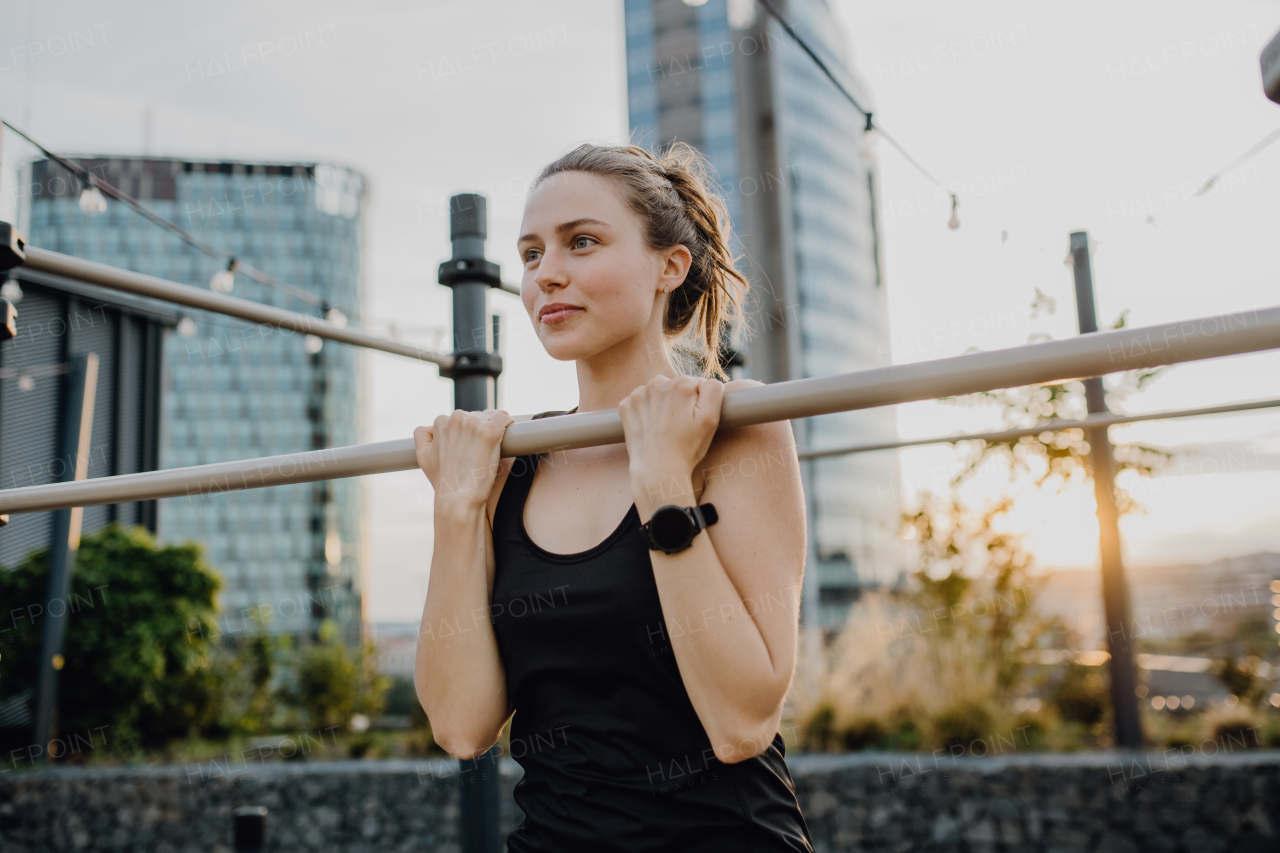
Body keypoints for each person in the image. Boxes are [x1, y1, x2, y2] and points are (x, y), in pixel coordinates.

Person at [413, 142, 814, 852]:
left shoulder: (736, 425)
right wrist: (457, 508)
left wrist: (661, 482)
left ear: (670, 266)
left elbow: (740, 722)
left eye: (582, 242)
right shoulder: (511, 463)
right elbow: (461, 725)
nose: (548, 275)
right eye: (532, 254)